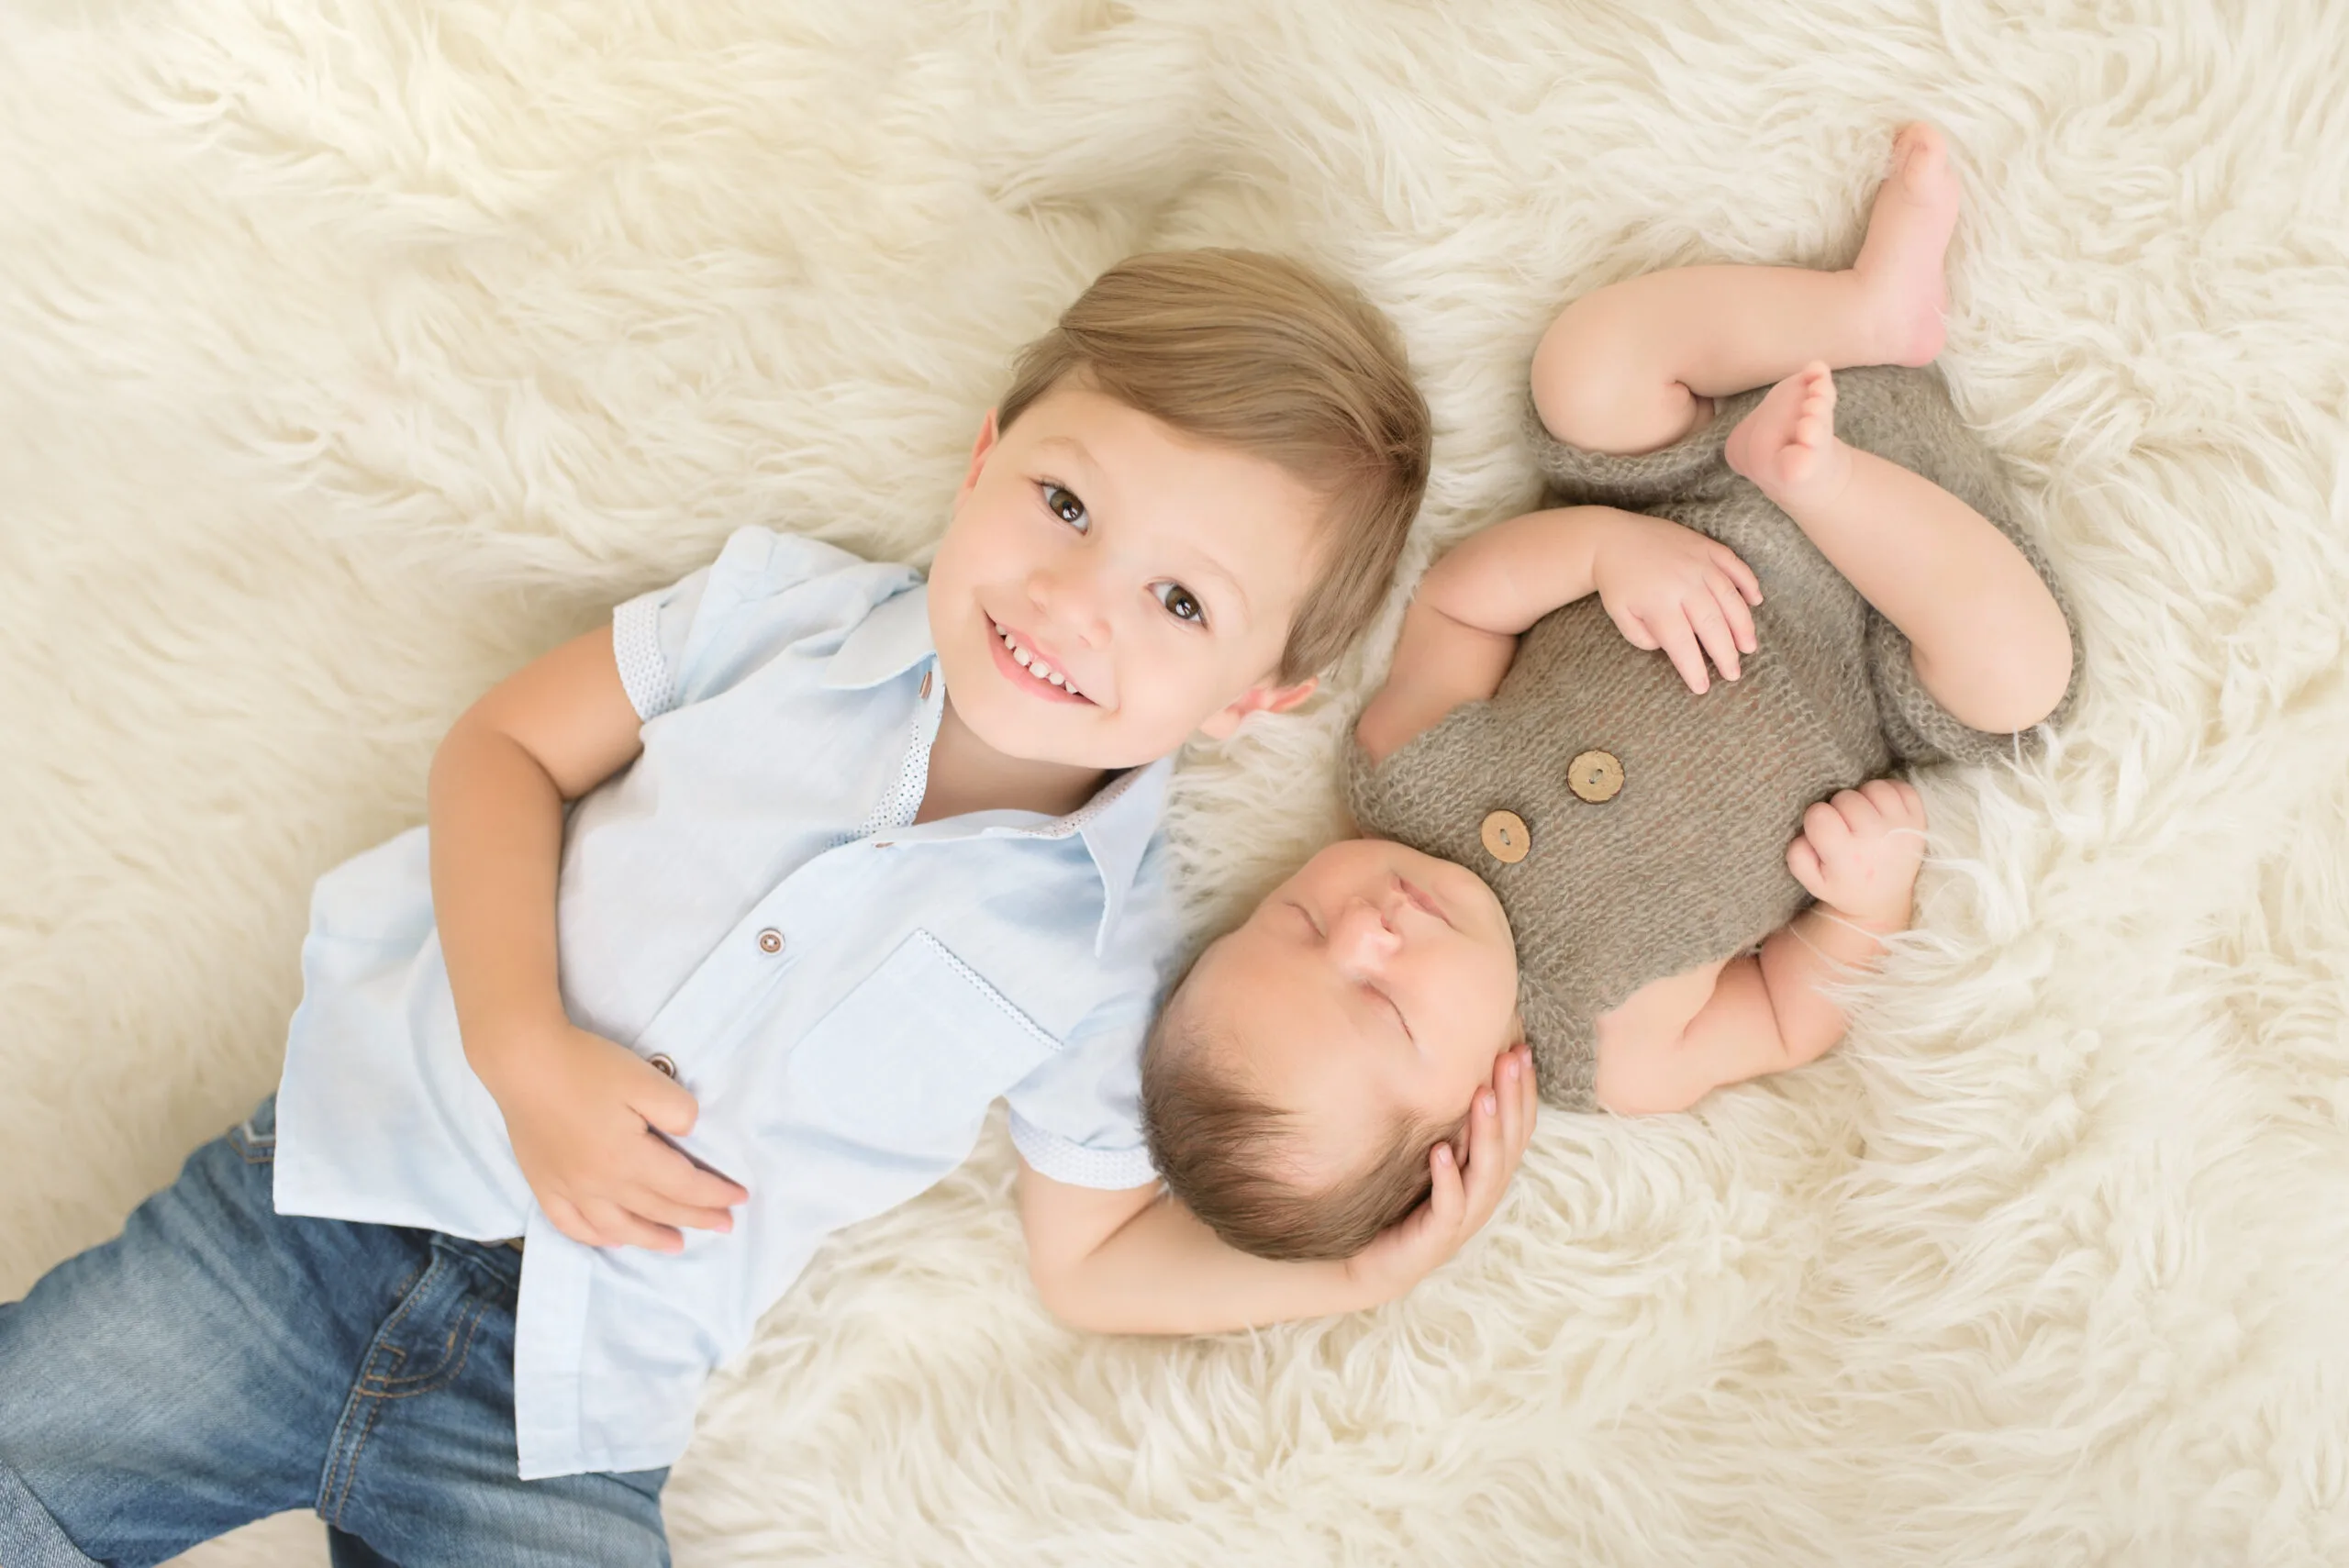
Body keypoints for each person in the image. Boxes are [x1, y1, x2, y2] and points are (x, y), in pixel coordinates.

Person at [0, 250, 1500, 1568]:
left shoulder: (1101, 952)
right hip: (316, 1217)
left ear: (1256, 697)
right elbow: (503, 751)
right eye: (1063, 502)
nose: (1073, 599)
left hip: (565, 1408)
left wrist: (1357, 1273)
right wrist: (526, 1051)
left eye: (1181, 602)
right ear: (982, 455)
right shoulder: (778, 619)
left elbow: (1092, 1258)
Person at [1142, 124, 2082, 1263]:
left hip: (1699, 494)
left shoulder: (1401, 769)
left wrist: (1597, 551)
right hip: (1885, 639)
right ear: (1472, 1112)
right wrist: (1863, 902)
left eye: (1296, 923)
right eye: (1383, 1004)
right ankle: (1833, 485)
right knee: (2021, 681)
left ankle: (1871, 310)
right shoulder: (1620, 1050)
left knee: (1584, 372)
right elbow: (1790, 1012)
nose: (1368, 929)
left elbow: (1457, 602)